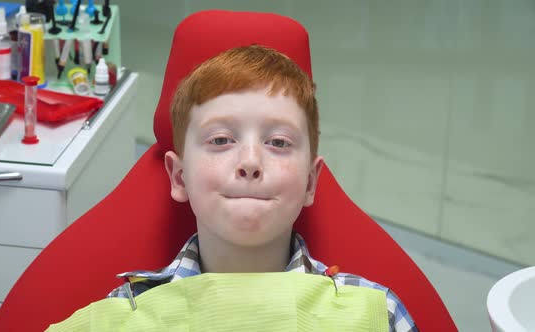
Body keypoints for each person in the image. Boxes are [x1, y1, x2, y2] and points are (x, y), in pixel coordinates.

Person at [49, 45, 417, 331]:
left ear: (309, 182)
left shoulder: (374, 316)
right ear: (179, 177)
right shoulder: (120, 319)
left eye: (278, 143)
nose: (251, 161)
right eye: (222, 139)